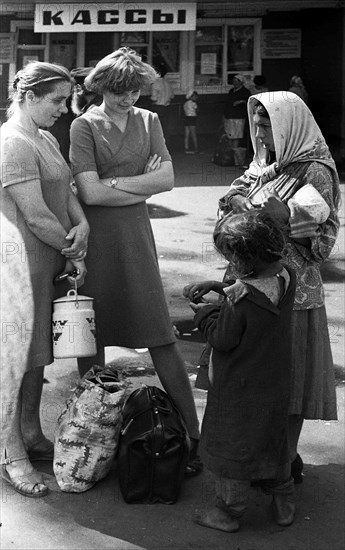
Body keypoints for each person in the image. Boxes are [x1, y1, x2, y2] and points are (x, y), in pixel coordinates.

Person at [69, 47, 201, 475]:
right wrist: (142, 186)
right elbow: (89, 194)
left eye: (136, 91)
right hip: (99, 238)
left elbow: (168, 178)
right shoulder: (83, 125)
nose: (130, 99)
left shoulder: (150, 120)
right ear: (103, 87)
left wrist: (120, 183)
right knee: (94, 335)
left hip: (136, 237)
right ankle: (94, 435)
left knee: (159, 333)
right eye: (121, 91)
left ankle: (194, 436)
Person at [215, 91, 340, 484]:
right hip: (248, 284)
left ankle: (282, 465)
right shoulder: (266, 164)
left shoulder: (314, 171)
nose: (260, 132)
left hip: (292, 295)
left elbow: (324, 240)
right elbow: (234, 191)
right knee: (247, 378)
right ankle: (258, 458)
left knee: (288, 384)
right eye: (257, 123)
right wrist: (237, 199)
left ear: (289, 125)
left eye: (268, 124)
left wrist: (285, 219)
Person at [0, 61, 89, 497]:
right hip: (18, 265)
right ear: (28, 96)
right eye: (56, 100)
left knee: (37, 353)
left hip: (49, 258)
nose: (64, 108)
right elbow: (35, 214)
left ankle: (31, 433)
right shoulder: (12, 143)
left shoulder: (46, 137)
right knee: (14, 359)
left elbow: (66, 192)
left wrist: (82, 226)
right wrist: (75, 253)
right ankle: (10, 452)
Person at [188, 210, 296, 532]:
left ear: (245, 259)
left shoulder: (240, 302)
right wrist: (220, 288)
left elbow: (223, 339)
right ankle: (284, 500)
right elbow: (257, 295)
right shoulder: (285, 275)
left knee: (231, 445)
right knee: (271, 437)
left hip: (239, 388)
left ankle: (229, 511)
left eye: (232, 257)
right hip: (274, 381)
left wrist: (206, 314)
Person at [223, 74, 250, 160]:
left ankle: (235, 155)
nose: (234, 82)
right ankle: (230, 153)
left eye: (236, 81)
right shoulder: (231, 91)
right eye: (233, 81)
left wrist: (241, 101)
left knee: (236, 136)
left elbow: (248, 102)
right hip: (229, 116)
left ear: (240, 82)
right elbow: (227, 103)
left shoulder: (245, 92)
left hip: (238, 117)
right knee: (229, 135)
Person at [150, 65, 174, 145]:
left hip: (158, 107)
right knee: (165, 127)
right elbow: (172, 96)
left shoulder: (155, 83)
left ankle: (158, 146)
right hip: (167, 107)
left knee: (157, 128)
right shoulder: (168, 83)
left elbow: (154, 98)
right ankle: (166, 145)